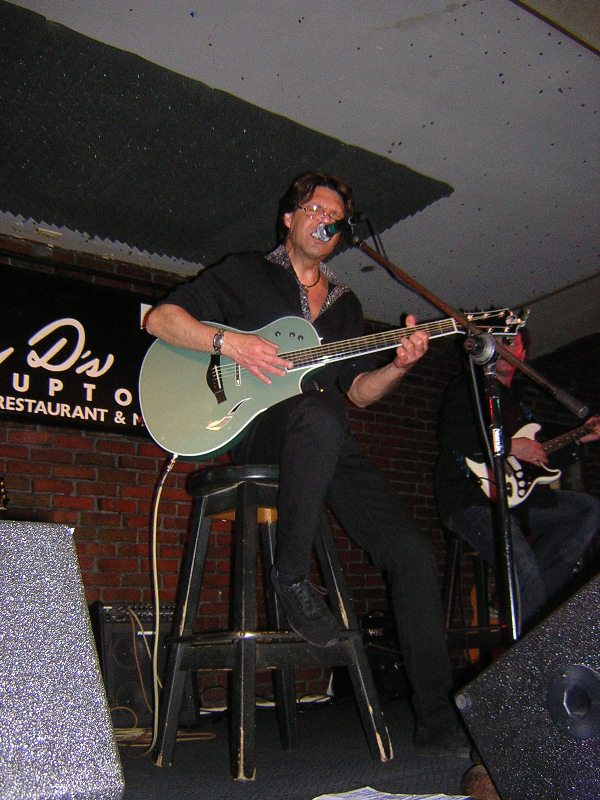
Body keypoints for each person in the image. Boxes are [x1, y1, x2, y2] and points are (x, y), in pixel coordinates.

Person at [145, 171, 468, 755]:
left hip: (326, 436)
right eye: (315, 209)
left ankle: (437, 716)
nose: (327, 219)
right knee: (315, 417)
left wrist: (399, 365)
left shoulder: (348, 308)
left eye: (336, 216)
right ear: (289, 220)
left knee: (413, 556)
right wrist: (230, 343)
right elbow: (160, 320)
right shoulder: (246, 272)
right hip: (257, 429)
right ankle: (291, 576)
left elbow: (358, 394)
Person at [434, 329, 600, 632]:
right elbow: (453, 436)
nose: (500, 347)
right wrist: (510, 446)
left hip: (516, 500)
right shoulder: (466, 389)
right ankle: (536, 636)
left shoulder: (519, 408)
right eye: (494, 341)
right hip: (470, 500)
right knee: (519, 559)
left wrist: (580, 438)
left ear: (522, 353)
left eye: (509, 341)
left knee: (587, 510)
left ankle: (515, 602)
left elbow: (540, 458)